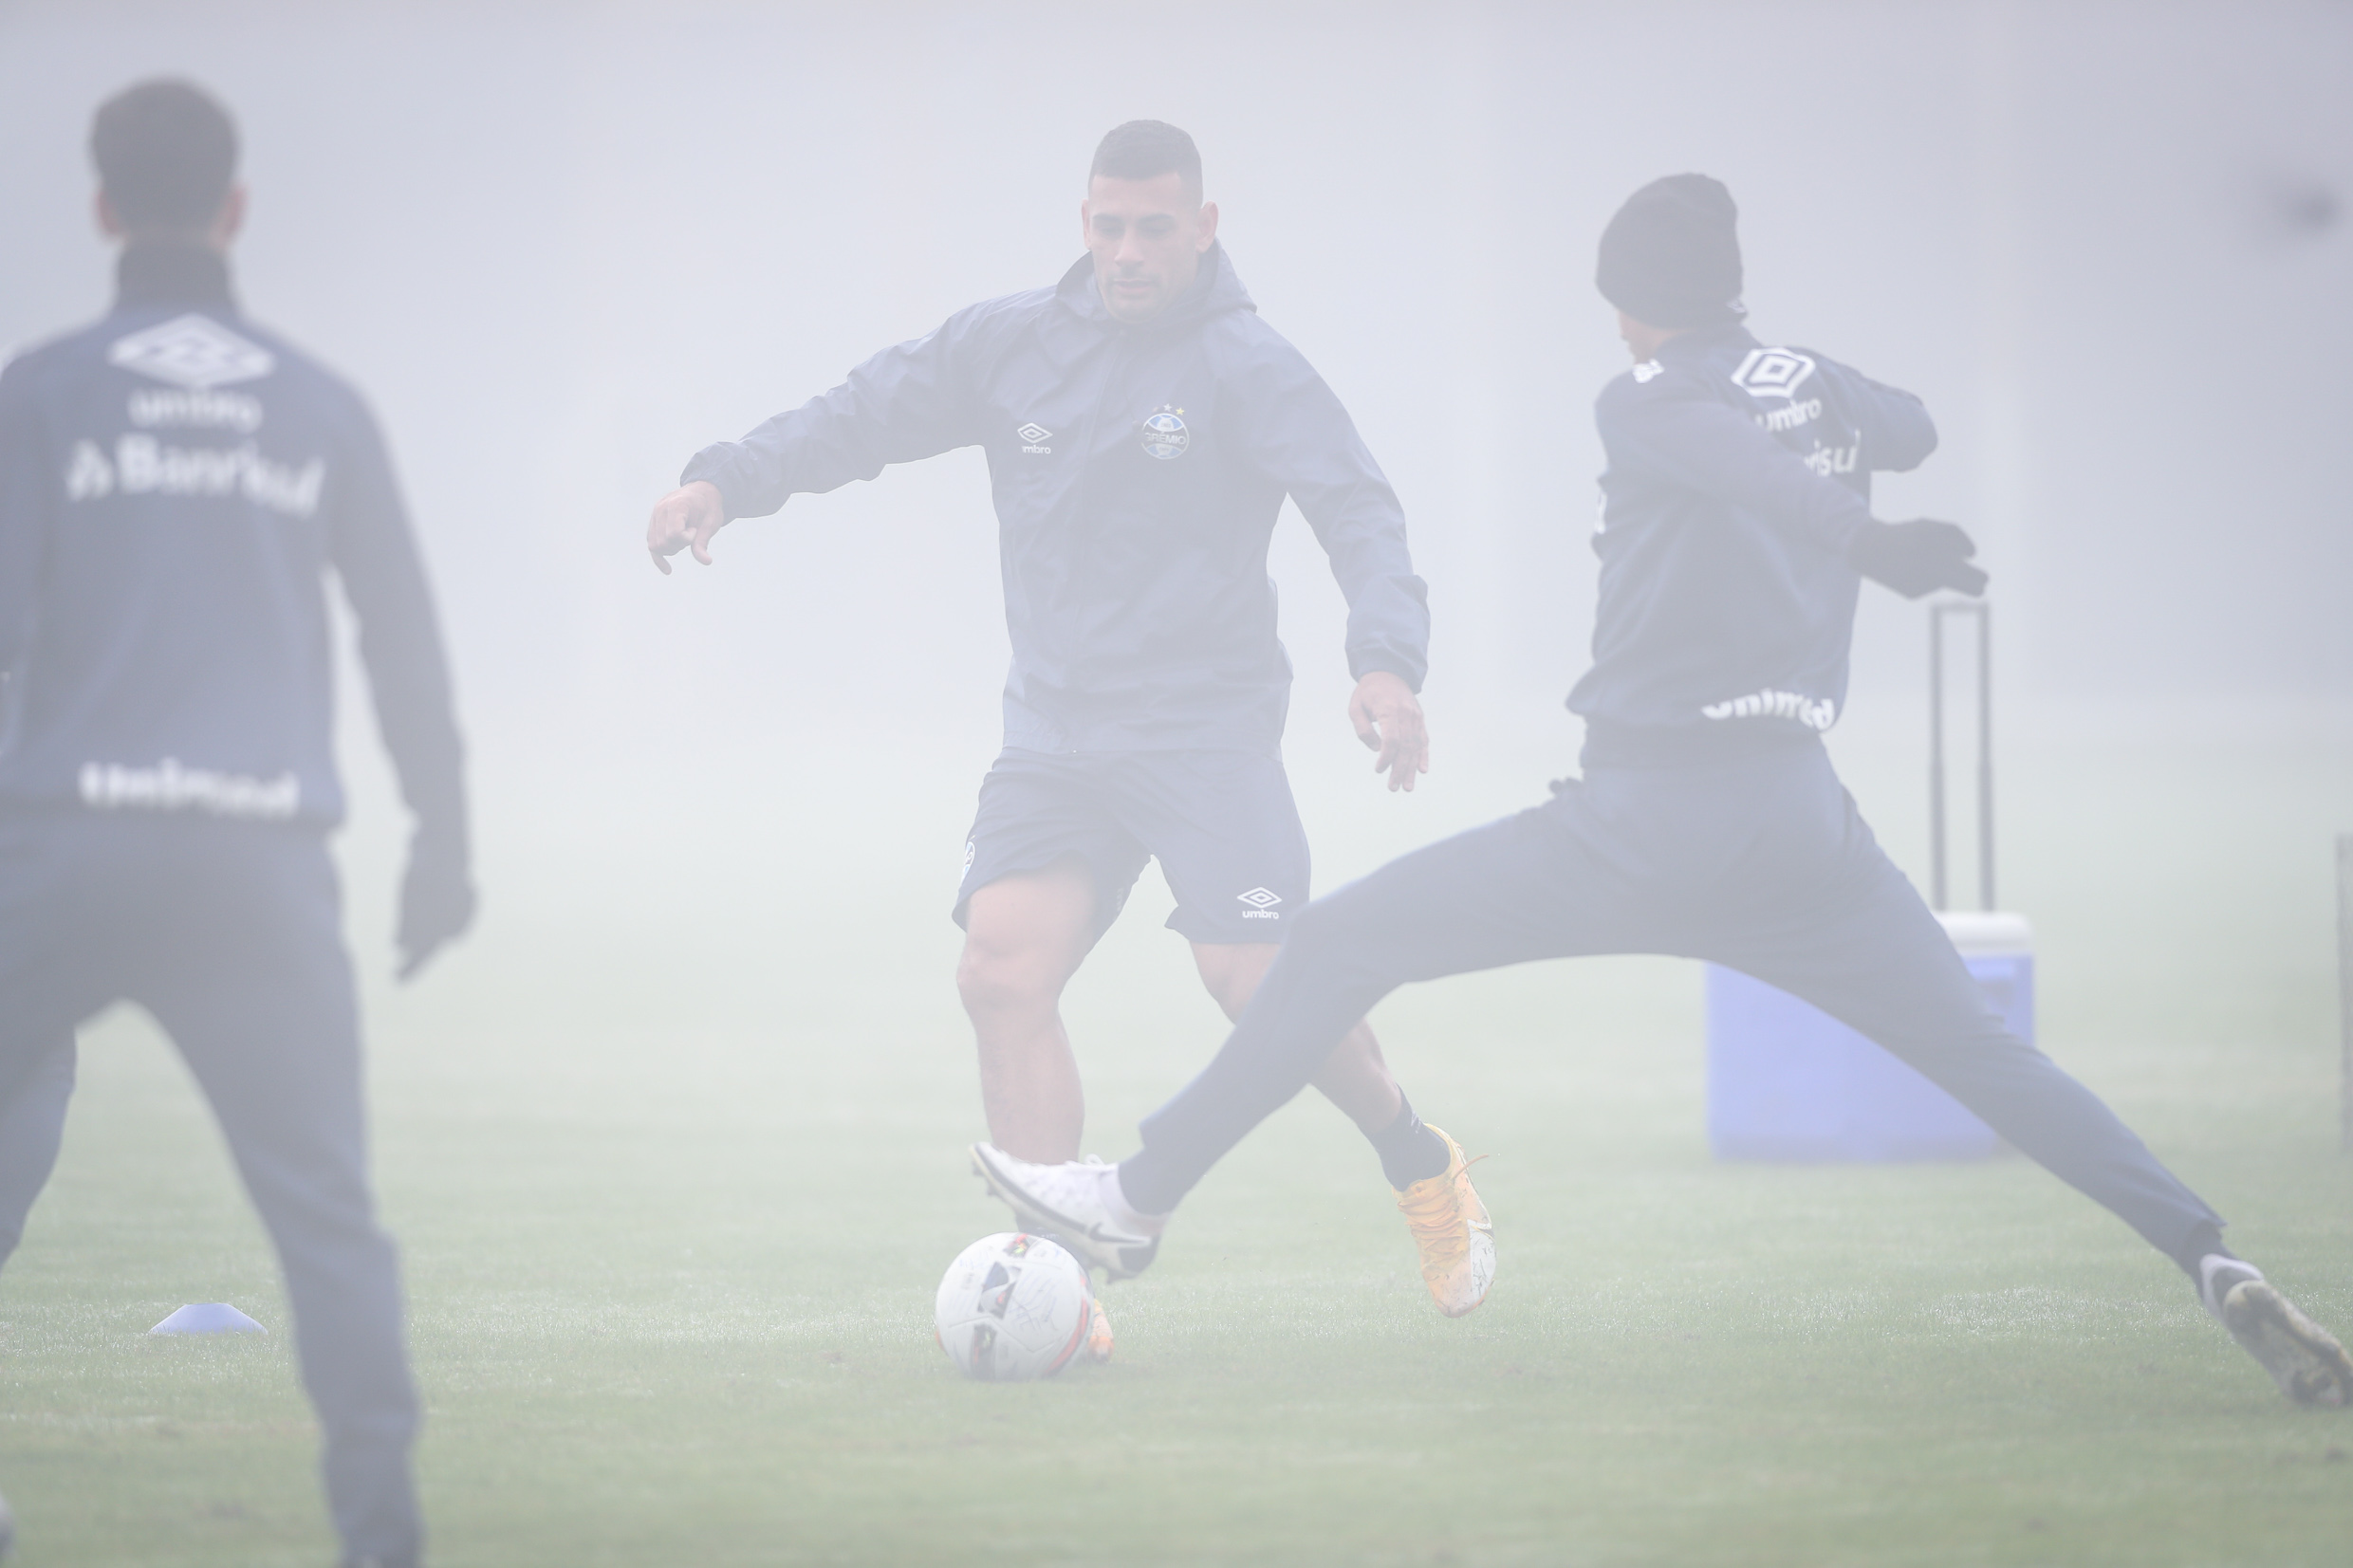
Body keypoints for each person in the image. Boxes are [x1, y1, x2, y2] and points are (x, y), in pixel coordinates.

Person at [970, 174, 2353, 1409]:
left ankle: (1138, 1197)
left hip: (1641, 826)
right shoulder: (1801, 385)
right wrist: (1811, 400)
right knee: (1993, 1063)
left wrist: (1863, 541)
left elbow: (1739, 465)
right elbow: (1913, 425)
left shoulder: (1643, 400)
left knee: (1335, 943)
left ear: (1630, 305)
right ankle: (2207, 1253)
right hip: (1803, 833)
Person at [644, 120, 1493, 1336]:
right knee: (998, 972)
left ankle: (1415, 1158)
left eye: (1154, 228)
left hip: (1202, 734)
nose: (1128, 250)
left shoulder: (1247, 364)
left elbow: (1357, 510)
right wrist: (724, 479)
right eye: (1108, 226)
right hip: (1054, 734)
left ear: (1202, 228)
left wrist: (1385, 663)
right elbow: (860, 414)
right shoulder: (1008, 344)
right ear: (1082, 222)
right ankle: (1053, 1288)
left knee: (1255, 986)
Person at [0, 80, 476, 1566]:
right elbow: (403, 640)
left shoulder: (39, 396)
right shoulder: (317, 405)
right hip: (257, 871)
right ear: (238, 206)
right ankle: (381, 1541)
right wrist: (442, 844)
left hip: (68, 850)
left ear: (98, 209)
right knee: (327, 1224)